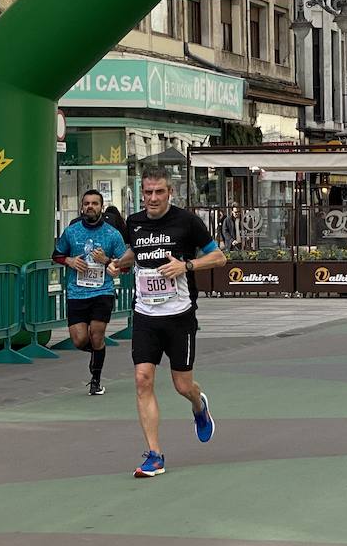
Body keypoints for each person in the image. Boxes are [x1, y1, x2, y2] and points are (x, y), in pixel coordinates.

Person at [107, 166, 226, 478]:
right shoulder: (134, 222)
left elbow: (219, 257)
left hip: (179, 317)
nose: (153, 198)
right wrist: (120, 264)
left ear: (169, 193)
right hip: (146, 316)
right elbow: (137, 251)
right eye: (148, 192)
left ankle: (199, 405)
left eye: (159, 192)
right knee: (142, 379)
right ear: (142, 193)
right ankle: (154, 455)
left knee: (182, 385)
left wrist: (186, 265)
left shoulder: (187, 222)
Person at [53, 190, 128, 395]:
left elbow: (126, 266)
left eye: (95, 203)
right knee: (79, 340)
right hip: (76, 292)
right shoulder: (71, 232)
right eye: (87, 203)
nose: (90, 207)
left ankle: (96, 379)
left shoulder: (113, 234)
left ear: (101, 208)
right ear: (81, 207)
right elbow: (57, 254)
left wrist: (107, 261)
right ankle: (98, 352)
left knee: (96, 334)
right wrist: (69, 260)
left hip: (102, 291)